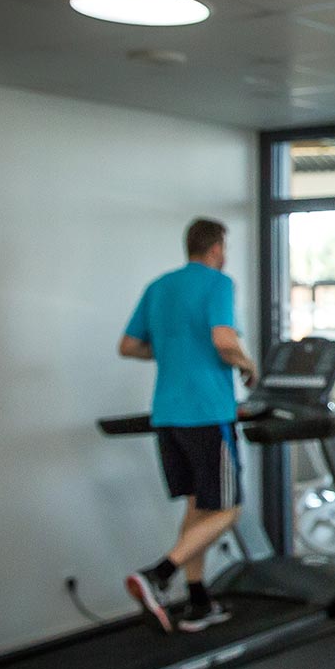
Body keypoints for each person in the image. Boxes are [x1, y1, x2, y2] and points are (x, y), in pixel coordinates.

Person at [120, 217, 257, 634]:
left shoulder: (159, 286)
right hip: (206, 412)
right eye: (224, 248)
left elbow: (129, 346)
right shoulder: (218, 283)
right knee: (229, 509)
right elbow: (223, 340)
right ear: (216, 249)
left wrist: (172, 354)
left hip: (167, 415)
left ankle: (199, 602)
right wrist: (248, 365)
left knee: (199, 506)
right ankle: (159, 573)